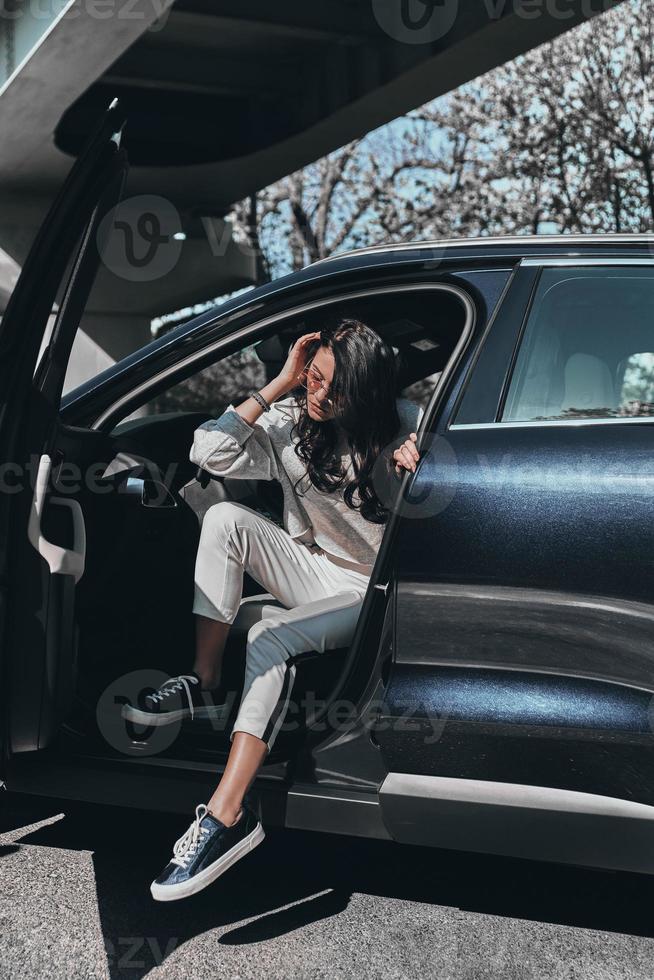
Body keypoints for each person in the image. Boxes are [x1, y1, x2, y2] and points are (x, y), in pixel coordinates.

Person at [124, 314, 424, 901]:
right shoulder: (290, 424)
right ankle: (203, 679)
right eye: (313, 378)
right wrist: (277, 384)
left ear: (360, 391)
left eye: (332, 388)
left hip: (370, 592)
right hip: (316, 569)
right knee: (222, 519)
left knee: (269, 636)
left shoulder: (402, 426)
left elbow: (448, 495)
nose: (318, 394)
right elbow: (207, 452)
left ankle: (225, 815)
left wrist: (420, 467)